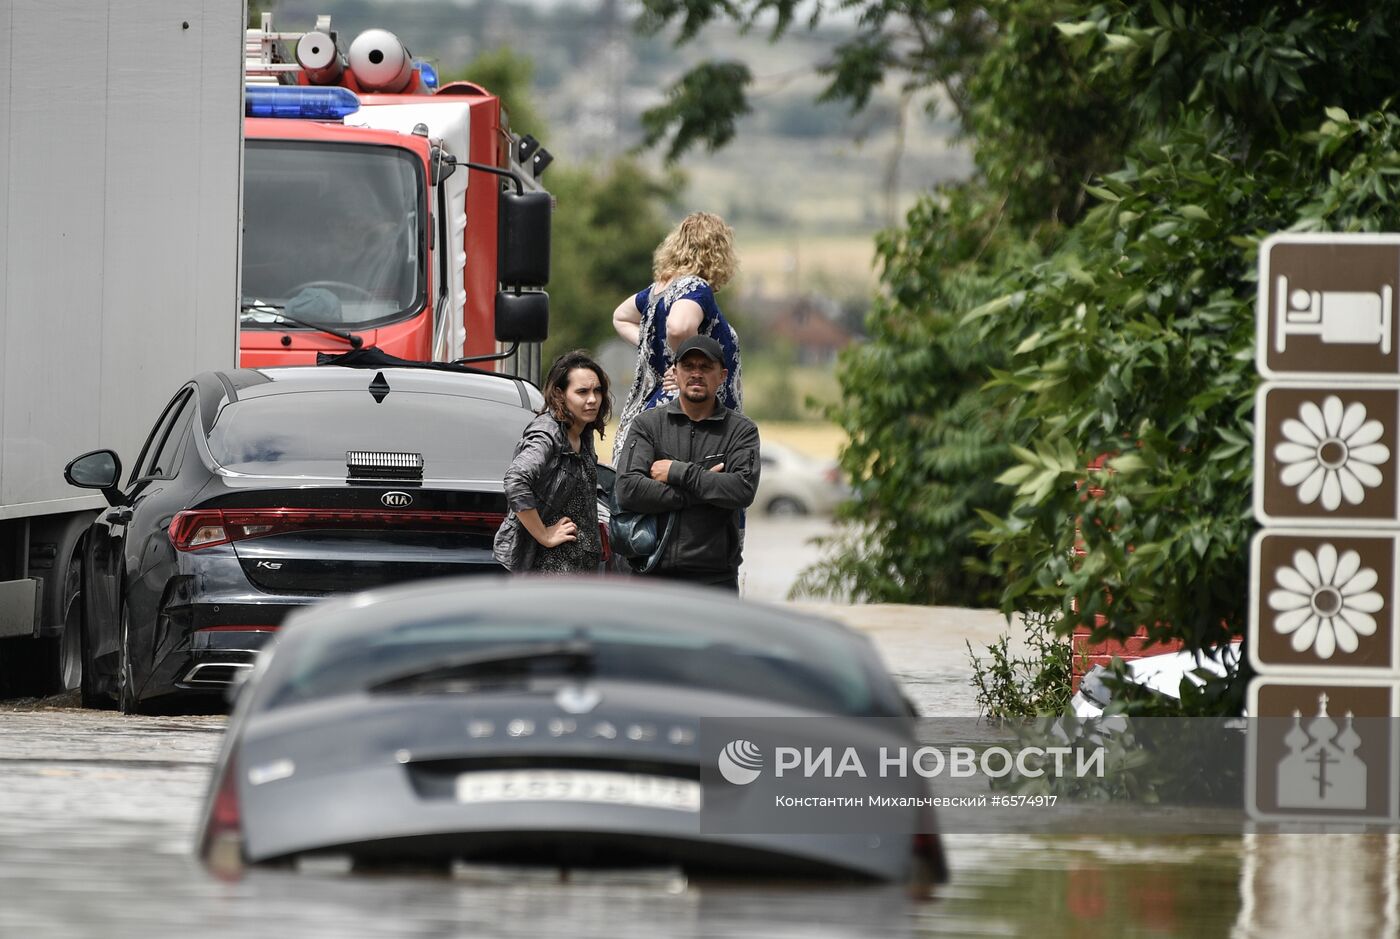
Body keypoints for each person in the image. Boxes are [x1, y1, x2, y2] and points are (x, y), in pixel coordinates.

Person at [615, 335, 759, 592]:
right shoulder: (647, 424)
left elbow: (741, 490)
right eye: (688, 366)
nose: (696, 373)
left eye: (705, 367)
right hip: (651, 574)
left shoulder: (741, 431)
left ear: (722, 375)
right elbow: (628, 490)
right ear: (675, 372)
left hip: (715, 581)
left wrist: (677, 471)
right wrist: (702, 488)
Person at [611, 211, 743, 458]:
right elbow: (679, 327)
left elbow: (620, 316)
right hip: (685, 425)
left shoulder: (656, 292)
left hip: (647, 420)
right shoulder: (696, 288)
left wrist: (651, 345)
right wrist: (684, 367)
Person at [493, 350, 610, 574]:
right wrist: (544, 534)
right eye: (582, 392)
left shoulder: (582, 432)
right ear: (560, 394)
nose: (593, 399)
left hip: (580, 568)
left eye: (597, 391)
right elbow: (516, 481)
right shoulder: (547, 432)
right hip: (549, 569)